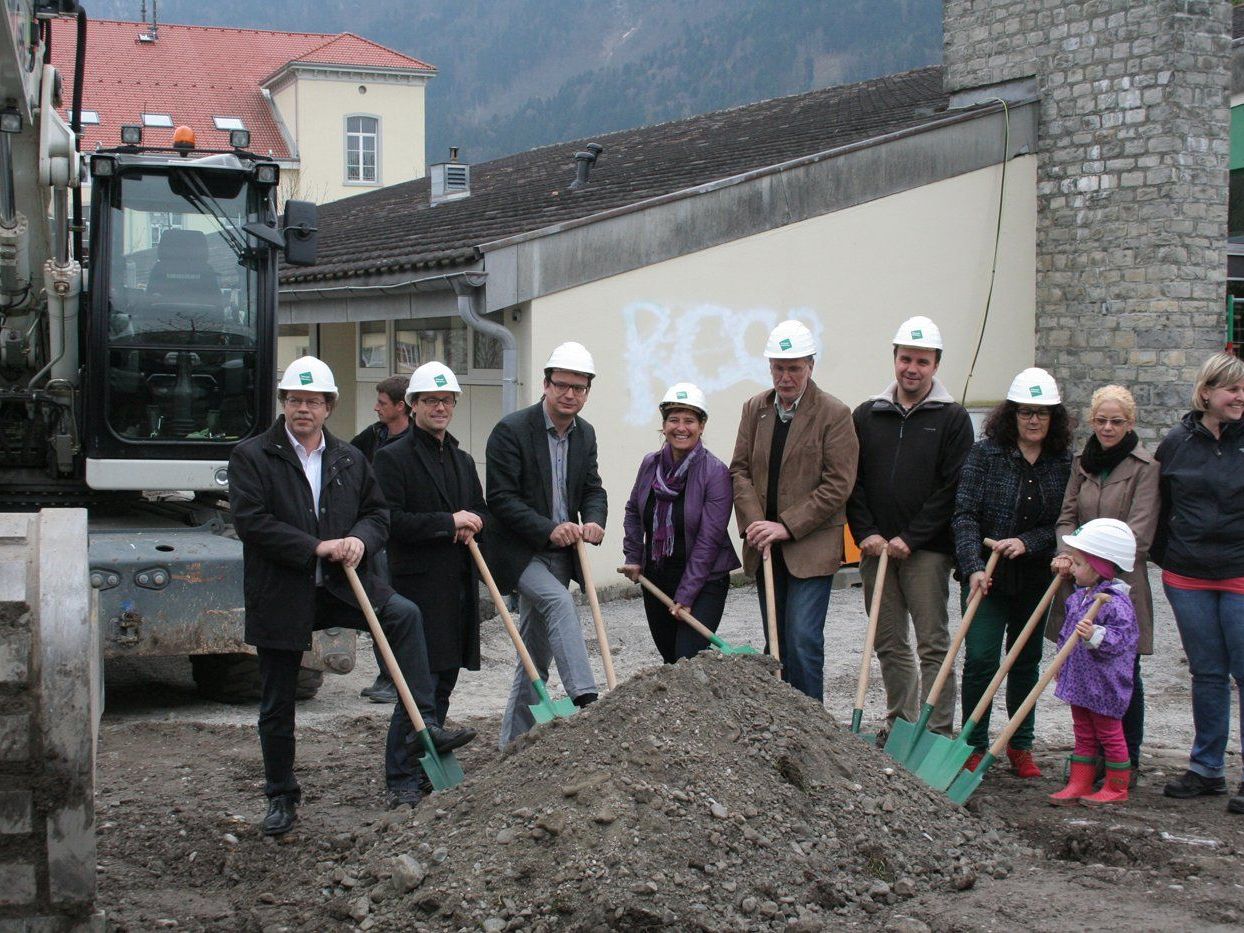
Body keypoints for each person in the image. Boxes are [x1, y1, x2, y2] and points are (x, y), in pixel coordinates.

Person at [229, 357, 475, 833]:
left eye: (314, 401)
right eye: (296, 400)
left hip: (344, 584)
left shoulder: (347, 458)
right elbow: (252, 522)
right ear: (284, 403)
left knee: (404, 615)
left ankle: (423, 720)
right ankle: (281, 795)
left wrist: (361, 540)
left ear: (329, 406)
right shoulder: (254, 456)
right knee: (278, 700)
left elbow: (377, 513)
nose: (304, 409)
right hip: (283, 588)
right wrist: (315, 546)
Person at [846, 316, 974, 737]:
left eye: (922, 361)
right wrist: (866, 533)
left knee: (932, 643)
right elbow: (853, 481)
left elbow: (952, 487)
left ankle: (936, 732)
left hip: (927, 551)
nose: (911, 369)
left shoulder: (953, 418)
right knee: (887, 641)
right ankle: (901, 723)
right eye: (905, 359)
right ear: (894, 359)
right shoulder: (867, 414)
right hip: (875, 549)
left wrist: (911, 537)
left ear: (936, 364)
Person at [952, 367, 1072, 777]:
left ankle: (1020, 744)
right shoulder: (985, 454)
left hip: (1036, 576)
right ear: (1012, 414)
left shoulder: (1061, 462)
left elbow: (1061, 521)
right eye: (1025, 412)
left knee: (1025, 660)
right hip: (989, 575)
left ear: (1054, 417)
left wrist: (1029, 542)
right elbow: (964, 514)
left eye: (1042, 412)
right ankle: (973, 743)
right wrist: (971, 568)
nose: (1034, 420)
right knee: (981, 658)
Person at [486, 342, 607, 747]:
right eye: (562, 385)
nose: (570, 394)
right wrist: (547, 529)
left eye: (579, 387)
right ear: (546, 384)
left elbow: (592, 487)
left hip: (560, 554)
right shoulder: (512, 431)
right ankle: (586, 697)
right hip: (517, 552)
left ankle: (511, 744)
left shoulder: (585, 433)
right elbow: (501, 499)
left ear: (587, 391)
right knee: (559, 602)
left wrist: (593, 520)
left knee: (534, 656)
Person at [730, 319, 858, 701]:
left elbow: (838, 484)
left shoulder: (834, 414)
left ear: (810, 366)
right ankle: (781, 726)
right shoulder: (756, 408)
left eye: (794, 368)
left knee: (802, 639)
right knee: (777, 644)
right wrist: (756, 524)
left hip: (810, 546)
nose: (785, 377)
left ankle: (812, 727)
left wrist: (785, 526)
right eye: (779, 367)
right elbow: (739, 470)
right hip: (765, 545)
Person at [1048, 385, 1159, 779]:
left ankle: (1125, 758)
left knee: (1123, 669)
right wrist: (1066, 552)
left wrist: (1091, 560)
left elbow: (1139, 535)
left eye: (1116, 421)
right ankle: (1090, 757)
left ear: (1130, 423)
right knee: (1084, 666)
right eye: (1100, 421)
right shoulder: (1082, 463)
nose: (1108, 428)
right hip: (1078, 580)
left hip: (1121, 585)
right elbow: (1066, 515)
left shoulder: (1145, 468)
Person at [1153, 351, 1244, 815]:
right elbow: (1160, 503)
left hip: (1239, 574)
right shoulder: (1176, 442)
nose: (1240, 397)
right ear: (1206, 392)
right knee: (1207, 672)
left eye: (1243, 389)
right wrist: (1165, 556)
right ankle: (1207, 768)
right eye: (1232, 389)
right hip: (1187, 574)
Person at [374, 361, 487, 726]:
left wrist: (475, 523)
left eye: (447, 401)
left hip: (457, 589)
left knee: (444, 685)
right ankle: (403, 774)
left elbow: (482, 511)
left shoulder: (461, 460)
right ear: (413, 405)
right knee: (419, 688)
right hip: (418, 590)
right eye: (431, 400)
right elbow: (389, 520)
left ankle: (426, 768)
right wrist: (448, 522)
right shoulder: (393, 458)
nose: (440, 408)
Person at [621, 383, 740, 662]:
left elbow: (709, 540)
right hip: (658, 577)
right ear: (663, 425)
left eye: (689, 420)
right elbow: (633, 512)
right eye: (674, 419)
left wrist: (686, 594)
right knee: (670, 659)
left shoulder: (715, 472)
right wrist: (633, 555)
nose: (681, 427)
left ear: (701, 426)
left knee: (688, 659)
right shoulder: (650, 464)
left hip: (704, 581)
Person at [1048, 519, 1140, 807]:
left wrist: (1096, 635)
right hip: (1080, 679)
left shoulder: (1115, 603)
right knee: (1083, 730)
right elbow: (1066, 634)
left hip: (1104, 682)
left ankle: (1116, 786)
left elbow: (1122, 640)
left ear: (1099, 567)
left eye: (1077, 563)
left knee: (1109, 733)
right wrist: (1060, 664)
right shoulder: (1078, 599)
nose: (1071, 568)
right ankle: (1080, 781)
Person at [350, 375, 413, 704]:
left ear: (401, 407)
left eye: (382, 403)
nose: (376, 407)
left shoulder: (414, 442)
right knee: (378, 606)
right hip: (376, 535)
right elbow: (346, 456)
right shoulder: (375, 436)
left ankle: (398, 679)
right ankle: (387, 676)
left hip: (402, 539)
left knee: (397, 611)